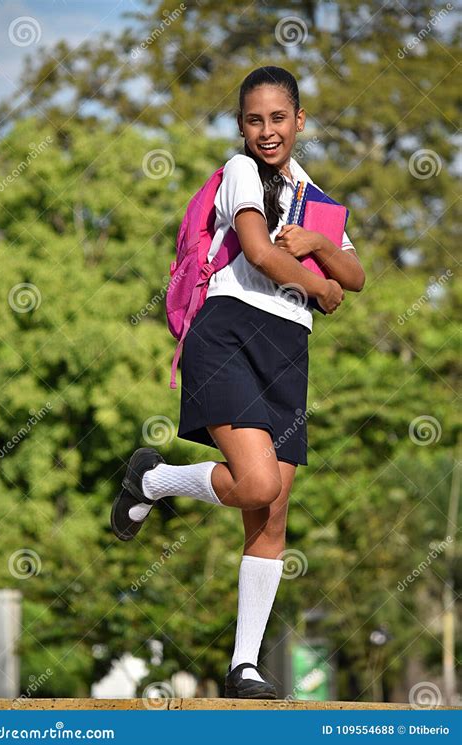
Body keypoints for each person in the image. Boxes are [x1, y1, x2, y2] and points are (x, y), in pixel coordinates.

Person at [111, 65, 365, 699]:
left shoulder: (316, 195)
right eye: (254, 119)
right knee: (253, 481)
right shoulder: (241, 172)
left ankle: (243, 666)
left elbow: (357, 275)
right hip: (228, 331)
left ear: (299, 121)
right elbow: (257, 249)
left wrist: (320, 247)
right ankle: (153, 479)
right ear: (242, 126)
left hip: (288, 348)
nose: (267, 130)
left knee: (271, 513)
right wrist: (318, 282)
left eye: (279, 118)